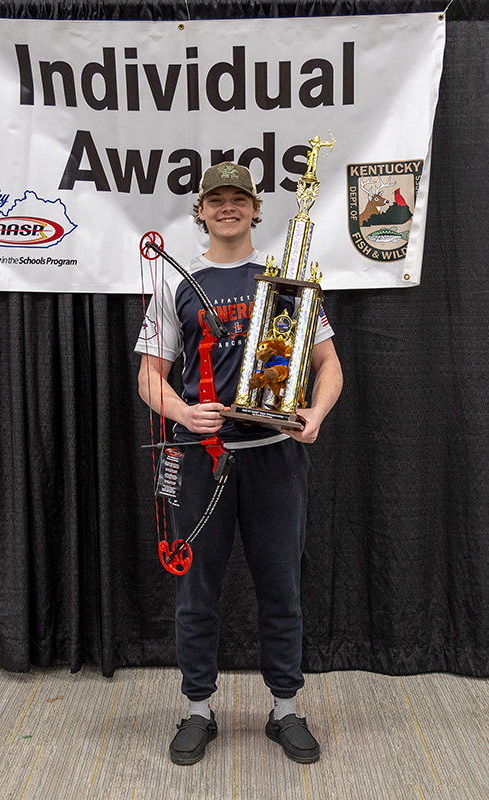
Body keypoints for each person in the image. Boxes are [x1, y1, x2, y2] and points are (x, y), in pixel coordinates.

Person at [135, 162, 343, 766]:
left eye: (239, 199)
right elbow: (149, 375)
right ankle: (199, 708)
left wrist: (316, 413)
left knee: (281, 586)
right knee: (196, 591)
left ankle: (284, 708)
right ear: (200, 211)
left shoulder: (285, 283)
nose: (227, 208)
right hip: (203, 459)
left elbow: (329, 365)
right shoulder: (178, 283)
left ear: (256, 210)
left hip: (275, 458)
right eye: (215, 199)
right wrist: (182, 409)